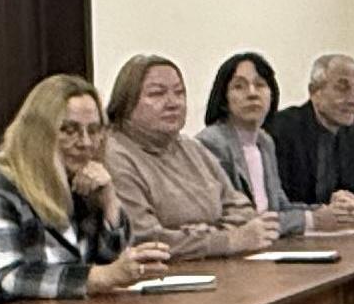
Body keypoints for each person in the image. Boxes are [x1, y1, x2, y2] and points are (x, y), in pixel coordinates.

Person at [0, 73, 178, 304]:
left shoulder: (82, 181)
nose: (85, 143)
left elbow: (113, 264)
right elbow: (6, 277)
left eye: (94, 130)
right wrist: (99, 277)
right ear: (37, 133)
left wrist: (110, 202)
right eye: (69, 130)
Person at [103, 55, 276, 258]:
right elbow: (145, 238)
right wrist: (226, 240)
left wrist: (201, 236)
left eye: (179, 93)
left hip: (217, 267)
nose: (173, 103)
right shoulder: (115, 155)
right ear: (126, 103)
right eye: (157, 94)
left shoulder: (192, 148)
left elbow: (244, 211)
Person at [200, 49, 354, 237]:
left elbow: (281, 206)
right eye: (239, 86)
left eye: (260, 85)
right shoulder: (213, 143)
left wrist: (335, 212)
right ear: (223, 98)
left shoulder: (264, 142)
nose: (252, 93)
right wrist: (312, 220)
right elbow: (241, 221)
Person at [269, 54, 354, 214]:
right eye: (342, 88)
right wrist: (328, 209)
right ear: (314, 92)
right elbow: (279, 200)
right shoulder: (283, 128)